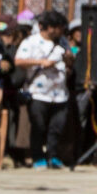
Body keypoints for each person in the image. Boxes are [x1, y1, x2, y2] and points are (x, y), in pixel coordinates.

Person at [14, 13, 72, 168]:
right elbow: (19, 60)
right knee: (38, 126)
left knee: (57, 126)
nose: (59, 31)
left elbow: (70, 62)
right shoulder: (31, 42)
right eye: (57, 27)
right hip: (38, 93)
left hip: (60, 94)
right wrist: (42, 62)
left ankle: (53, 156)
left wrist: (69, 59)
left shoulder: (63, 42)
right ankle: (37, 156)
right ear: (47, 27)